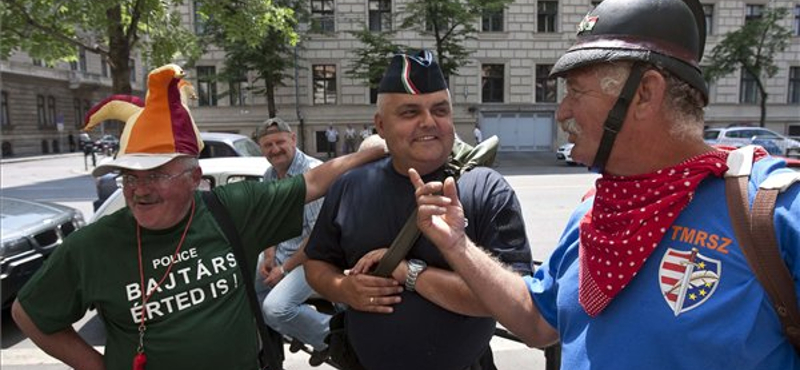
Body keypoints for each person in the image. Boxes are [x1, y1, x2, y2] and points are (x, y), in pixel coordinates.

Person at [411, 0, 800, 369]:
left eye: (576, 92)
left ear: (644, 94)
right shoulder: (596, 210)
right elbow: (536, 320)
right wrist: (457, 245)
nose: (562, 113)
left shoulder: (773, 212)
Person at [10, 64, 386, 370]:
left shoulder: (231, 208)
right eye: (129, 177)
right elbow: (29, 314)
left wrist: (377, 150)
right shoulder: (91, 245)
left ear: (194, 179)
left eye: (157, 175)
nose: (139, 190)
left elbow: (315, 180)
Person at [304, 50, 533, 370]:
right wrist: (345, 289)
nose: (428, 122)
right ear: (380, 125)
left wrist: (409, 272)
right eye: (410, 112)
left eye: (440, 110)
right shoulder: (351, 186)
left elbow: (518, 301)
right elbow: (317, 263)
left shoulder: (482, 188)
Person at [253, 117, 330, 366]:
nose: (274, 149)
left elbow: (318, 237)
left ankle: (334, 339)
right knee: (242, 286)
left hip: (316, 257)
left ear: (293, 140)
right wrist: (268, 256)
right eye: (267, 145)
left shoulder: (313, 173)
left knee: (275, 309)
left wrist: (283, 270)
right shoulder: (269, 175)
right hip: (284, 254)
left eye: (279, 142)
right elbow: (269, 223)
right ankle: (299, 330)